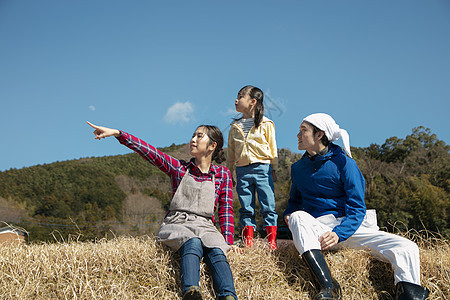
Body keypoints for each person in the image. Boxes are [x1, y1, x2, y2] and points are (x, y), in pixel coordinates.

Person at [283, 113, 429, 300]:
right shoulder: (297, 168)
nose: (298, 135)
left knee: (407, 247)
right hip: (318, 231)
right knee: (297, 216)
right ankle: (329, 287)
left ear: (319, 135)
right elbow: (294, 202)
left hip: (350, 229)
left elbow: (357, 208)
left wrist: (339, 233)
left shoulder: (346, 163)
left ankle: (407, 295)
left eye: (303, 130)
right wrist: (288, 214)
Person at [87, 121, 237, 300]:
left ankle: (228, 295)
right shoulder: (180, 169)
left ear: (212, 146)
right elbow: (151, 152)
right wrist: (119, 134)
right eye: (193, 135)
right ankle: (191, 291)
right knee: (193, 242)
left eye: (199, 136)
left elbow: (226, 211)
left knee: (217, 249)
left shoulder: (223, 174)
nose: (193, 140)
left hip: (206, 226)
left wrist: (228, 242)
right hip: (178, 223)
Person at [227, 85, 278, 250]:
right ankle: (248, 241)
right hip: (242, 170)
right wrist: (230, 173)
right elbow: (231, 153)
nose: (236, 100)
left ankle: (271, 242)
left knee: (268, 205)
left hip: (263, 168)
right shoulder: (235, 127)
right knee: (246, 206)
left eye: (240, 96)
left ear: (252, 102)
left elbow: (273, 147)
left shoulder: (267, 124)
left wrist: (274, 168)